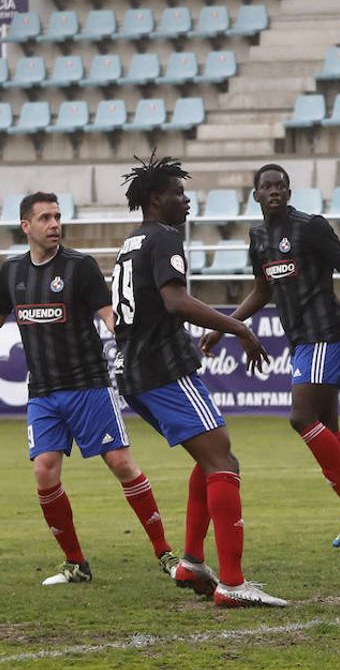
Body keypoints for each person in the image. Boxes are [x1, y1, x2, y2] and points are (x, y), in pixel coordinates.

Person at [114, 155, 287, 607]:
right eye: (177, 192)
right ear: (156, 198)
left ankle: (191, 561)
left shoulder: (130, 243)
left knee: (210, 458)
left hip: (135, 371)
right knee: (224, 462)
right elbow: (175, 301)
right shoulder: (165, 237)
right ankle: (232, 583)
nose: (186, 200)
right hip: (163, 368)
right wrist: (240, 328)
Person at [201, 164, 340, 552]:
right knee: (331, 432)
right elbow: (263, 291)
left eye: (280, 186)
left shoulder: (311, 227)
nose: (274, 191)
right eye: (266, 186)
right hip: (302, 342)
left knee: (300, 418)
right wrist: (224, 325)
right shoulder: (258, 238)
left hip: (326, 334)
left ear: (289, 192)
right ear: (255, 194)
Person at [0, 192, 177, 586]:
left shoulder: (80, 267)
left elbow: (111, 317)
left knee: (120, 464)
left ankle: (165, 553)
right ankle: (76, 563)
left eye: (58, 216)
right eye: (45, 218)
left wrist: (138, 345)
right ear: (26, 226)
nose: (55, 224)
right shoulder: (11, 273)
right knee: (44, 473)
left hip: (88, 385)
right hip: (43, 392)